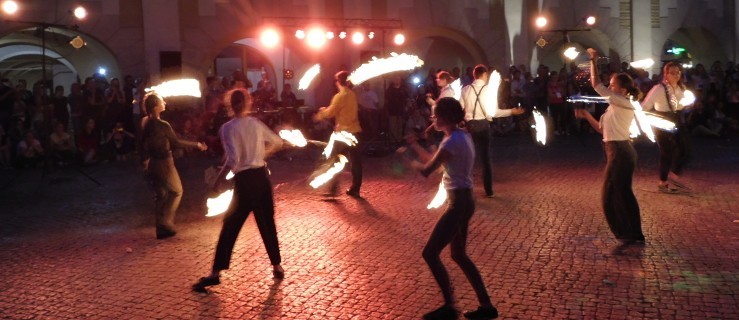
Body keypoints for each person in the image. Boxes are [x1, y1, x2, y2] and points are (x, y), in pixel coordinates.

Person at [406, 97, 498, 320]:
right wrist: (418, 145)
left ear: (445, 117)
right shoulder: (462, 136)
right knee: (458, 254)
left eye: (435, 114)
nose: (432, 117)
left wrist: (410, 159)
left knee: (430, 253)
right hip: (465, 200)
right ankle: (486, 307)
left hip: (458, 204)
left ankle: (449, 307)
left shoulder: (451, 142)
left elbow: (428, 170)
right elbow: (439, 162)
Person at [192, 88, 285, 292]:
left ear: (229, 105)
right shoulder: (255, 124)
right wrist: (261, 154)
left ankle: (215, 273)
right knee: (267, 222)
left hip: (245, 181)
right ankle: (277, 266)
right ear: (248, 103)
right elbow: (278, 142)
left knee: (230, 225)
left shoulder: (227, 128)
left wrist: (218, 178)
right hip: (261, 177)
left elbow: (233, 159)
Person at [574, 48, 645, 245]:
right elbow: (600, 128)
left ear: (622, 90)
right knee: (622, 192)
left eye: (612, 85)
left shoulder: (623, 102)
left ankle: (626, 232)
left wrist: (593, 60)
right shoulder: (614, 106)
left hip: (620, 152)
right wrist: (587, 115)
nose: (609, 87)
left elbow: (596, 84)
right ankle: (632, 233)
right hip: (616, 150)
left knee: (610, 194)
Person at [140, 92, 207, 239]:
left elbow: (142, 144)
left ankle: (161, 229)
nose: (164, 102)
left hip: (154, 163)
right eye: (161, 101)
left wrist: (144, 160)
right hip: (164, 162)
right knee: (177, 191)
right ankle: (166, 223)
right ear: (156, 106)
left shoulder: (146, 123)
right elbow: (175, 142)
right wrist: (196, 144)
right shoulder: (162, 125)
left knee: (162, 195)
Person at [460, 65, 524, 198]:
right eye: (487, 75)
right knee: (485, 159)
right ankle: (488, 190)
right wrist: (511, 111)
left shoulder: (465, 89)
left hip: (470, 126)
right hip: (483, 125)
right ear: (484, 75)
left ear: (474, 75)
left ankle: (465, 188)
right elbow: (493, 112)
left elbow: (460, 108)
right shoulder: (489, 90)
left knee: (468, 158)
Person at [641, 61, 693, 193]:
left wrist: (687, 106)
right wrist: (650, 120)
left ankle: (674, 174)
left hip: (677, 120)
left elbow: (682, 105)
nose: (676, 75)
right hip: (662, 122)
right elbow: (645, 107)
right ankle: (663, 183)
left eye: (678, 72)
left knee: (685, 149)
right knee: (667, 152)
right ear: (666, 74)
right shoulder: (658, 89)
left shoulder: (681, 88)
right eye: (672, 73)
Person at [313, 71, 363, 198]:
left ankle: (333, 190)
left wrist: (320, 113)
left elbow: (330, 112)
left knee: (336, 160)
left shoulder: (339, 96)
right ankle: (355, 189)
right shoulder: (352, 95)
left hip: (343, 135)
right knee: (356, 162)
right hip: (355, 133)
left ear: (337, 82)